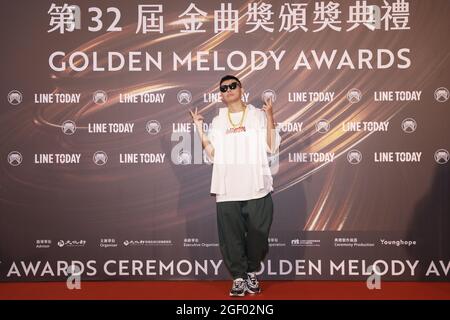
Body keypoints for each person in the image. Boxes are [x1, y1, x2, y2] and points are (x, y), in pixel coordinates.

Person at [189, 75, 281, 297]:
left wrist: (270, 116)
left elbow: (271, 146)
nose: (228, 89)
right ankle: (239, 278)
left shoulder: (258, 115)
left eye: (233, 86)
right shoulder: (219, 121)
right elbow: (212, 154)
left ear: (241, 89)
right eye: (224, 88)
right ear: (221, 95)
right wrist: (200, 129)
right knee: (231, 238)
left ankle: (251, 271)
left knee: (259, 235)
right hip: (228, 188)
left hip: (257, 186)